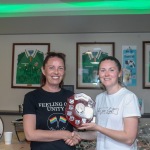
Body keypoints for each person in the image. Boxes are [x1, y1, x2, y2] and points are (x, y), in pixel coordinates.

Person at [66, 56, 141, 150]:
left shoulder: (128, 97)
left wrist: (98, 127)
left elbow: (129, 138)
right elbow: (98, 134)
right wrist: (78, 135)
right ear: (98, 74)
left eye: (111, 70)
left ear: (119, 73)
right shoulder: (100, 98)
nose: (106, 74)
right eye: (103, 70)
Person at [23, 52, 80, 150]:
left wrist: (75, 138)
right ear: (43, 70)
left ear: (64, 71)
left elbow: (76, 129)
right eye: (51, 67)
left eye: (60, 68)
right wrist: (63, 134)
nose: (56, 72)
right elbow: (30, 134)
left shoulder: (72, 97)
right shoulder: (31, 97)